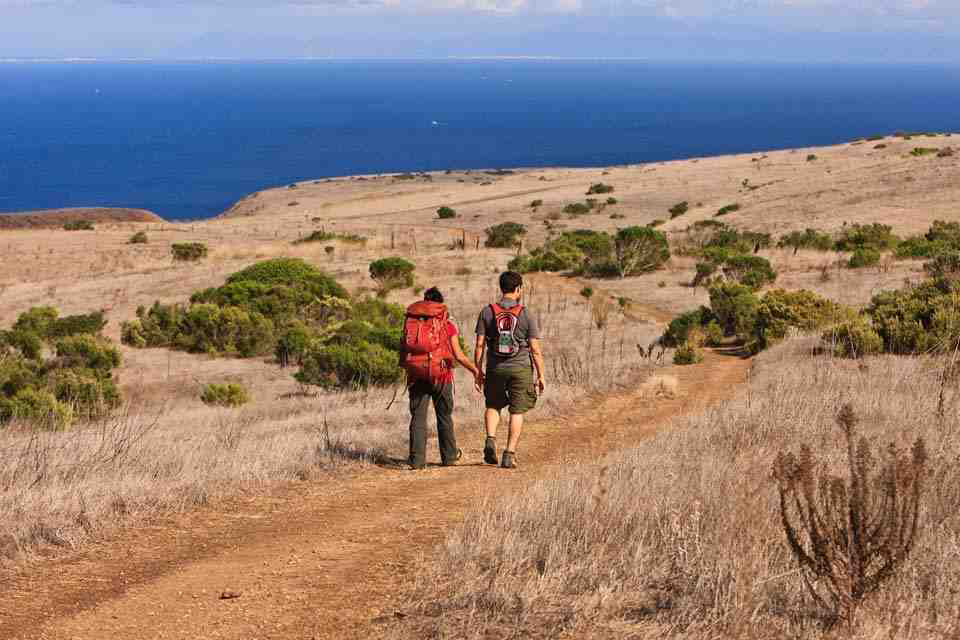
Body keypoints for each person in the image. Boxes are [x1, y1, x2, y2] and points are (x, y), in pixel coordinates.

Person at [402, 287, 482, 470]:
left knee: (418, 418)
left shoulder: (412, 322)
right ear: (440, 304)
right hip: (442, 375)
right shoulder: (447, 324)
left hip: (416, 375)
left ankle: (416, 461)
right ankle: (449, 457)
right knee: (444, 416)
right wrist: (475, 371)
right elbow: (459, 355)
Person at [474, 271, 546, 469]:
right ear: (518, 289)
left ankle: (490, 439)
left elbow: (480, 345)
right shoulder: (526, 314)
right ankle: (509, 454)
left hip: (495, 368)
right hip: (520, 368)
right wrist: (541, 375)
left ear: (501, 288)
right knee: (517, 410)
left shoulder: (487, 312)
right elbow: (535, 349)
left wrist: (478, 371)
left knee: (493, 405)